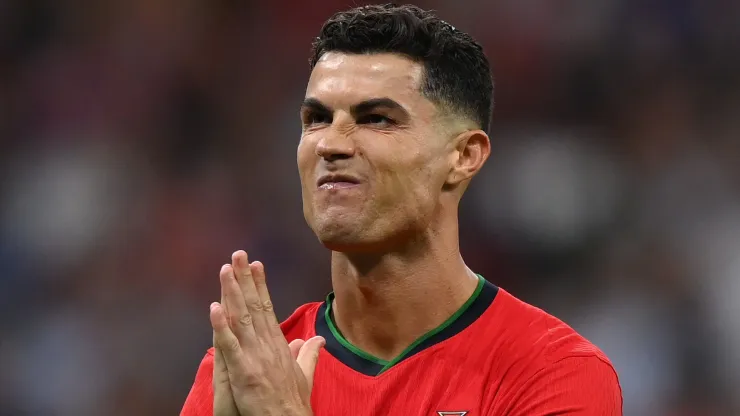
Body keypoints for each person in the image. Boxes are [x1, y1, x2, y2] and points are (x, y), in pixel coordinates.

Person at [180, 4, 623, 415]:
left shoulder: (552, 372)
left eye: (376, 119)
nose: (331, 143)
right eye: (316, 118)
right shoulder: (246, 370)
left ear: (464, 156)